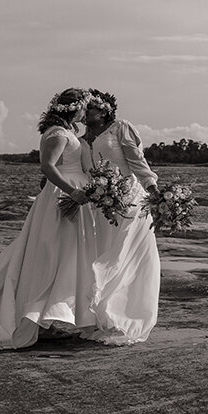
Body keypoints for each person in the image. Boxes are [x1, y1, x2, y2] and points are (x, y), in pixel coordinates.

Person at [0, 87, 99, 351]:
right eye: (84, 107)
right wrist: (73, 191)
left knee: (68, 259)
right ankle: (36, 319)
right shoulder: (58, 134)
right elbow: (47, 166)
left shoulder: (69, 132)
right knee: (53, 259)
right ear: (74, 108)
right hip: (64, 199)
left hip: (71, 199)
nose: (86, 112)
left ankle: (55, 318)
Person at [81, 89, 160, 343]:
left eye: (90, 109)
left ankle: (125, 316)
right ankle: (102, 315)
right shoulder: (84, 137)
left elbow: (136, 160)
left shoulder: (120, 128)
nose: (85, 113)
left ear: (104, 111)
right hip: (104, 205)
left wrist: (153, 188)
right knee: (106, 249)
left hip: (130, 200)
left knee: (126, 255)